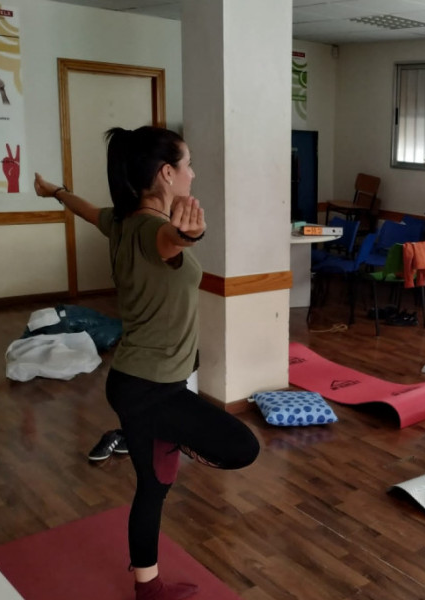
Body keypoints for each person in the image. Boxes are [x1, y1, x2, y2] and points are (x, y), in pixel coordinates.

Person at [35, 125, 260, 600]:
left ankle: (148, 588)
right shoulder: (152, 231)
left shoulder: (118, 221)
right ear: (166, 172)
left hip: (136, 382)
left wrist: (55, 191)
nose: (192, 174)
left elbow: (85, 210)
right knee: (242, 447)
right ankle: (177, 440)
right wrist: (187, 235)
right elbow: (170, 243)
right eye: (188, 164)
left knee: (154, 487)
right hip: (151, 388)